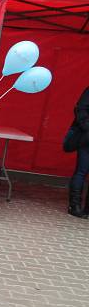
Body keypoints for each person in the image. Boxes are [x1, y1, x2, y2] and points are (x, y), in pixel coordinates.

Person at [68, 86, 89, 218]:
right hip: (87, 138)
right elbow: (80, 109)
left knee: (81, 171)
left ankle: (77, 207)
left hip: (86, 135)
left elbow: (80, 108)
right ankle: (75, 206)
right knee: (81, 171)